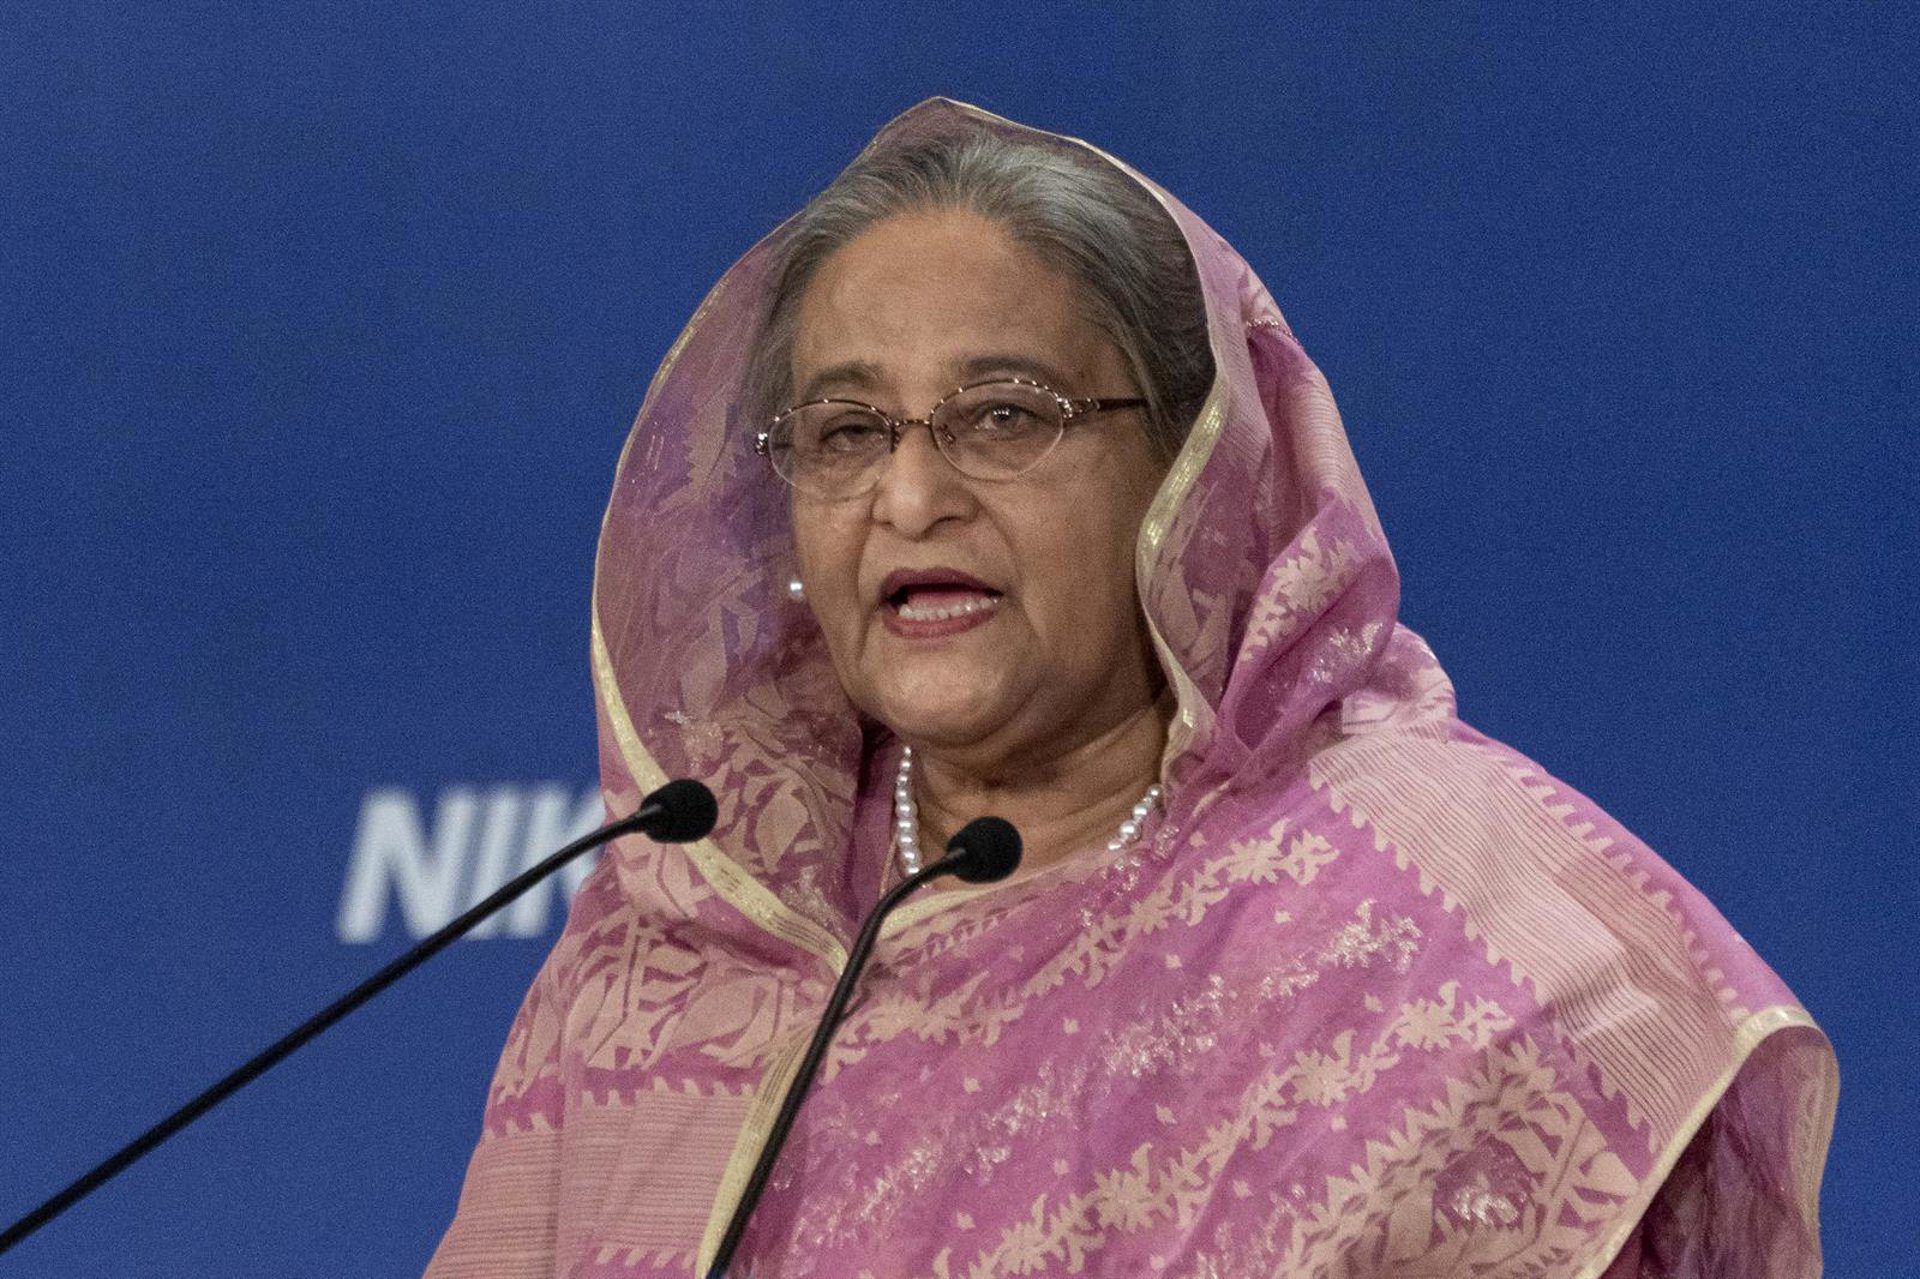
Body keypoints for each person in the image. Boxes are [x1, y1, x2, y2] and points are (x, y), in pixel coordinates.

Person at [424, 97, 1837, 1278]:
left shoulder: (1461, 926)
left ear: (1192, 470)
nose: (909, 498)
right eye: (847, 431)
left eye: (1003, 416)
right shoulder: (699, 915)